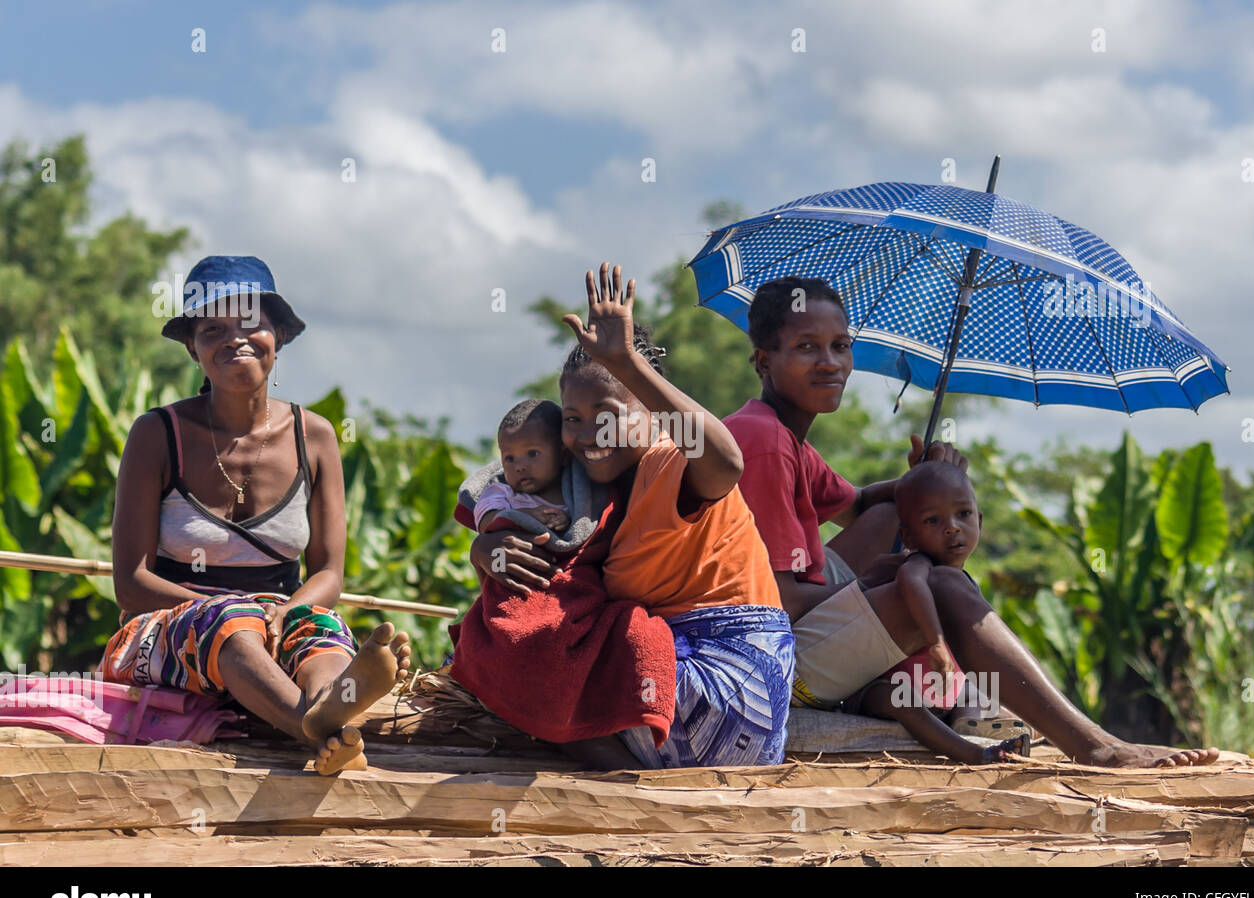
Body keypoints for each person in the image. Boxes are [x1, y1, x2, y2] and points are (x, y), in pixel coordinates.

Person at [723, 275, 1218, 769]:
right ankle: (1095, 745)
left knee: (905, 511)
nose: (830, 362)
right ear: (764, 360)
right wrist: (887, 584)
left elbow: (863, 505)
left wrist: (925, 482)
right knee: (937, 584)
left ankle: (962, 693)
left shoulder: (779, 433)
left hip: (795, 629)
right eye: (807, 347)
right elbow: (779, 604)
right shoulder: (764, 442)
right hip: (777, 660)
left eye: (840, 346)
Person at [471, 262, 795, 769]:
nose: (587, 436)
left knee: (530, 659)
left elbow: (728, 461)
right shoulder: (590, 495)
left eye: (608, 417)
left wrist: (627, 366)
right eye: (573, 420)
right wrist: (485, 548)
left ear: (649, 411)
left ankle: (613, 769)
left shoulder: (669, 463)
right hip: (681, 683)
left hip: (727, 688)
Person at [102, 255, 410, 775]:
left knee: (321, 626)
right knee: (229, 620)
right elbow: (131, 584)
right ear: (191, 347)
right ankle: (313, 727)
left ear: (280, 334)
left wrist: (285, 613)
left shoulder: (315, 437)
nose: (235, 338)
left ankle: (333, 695)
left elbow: (329, 574)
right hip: (163, 630)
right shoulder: (157, 434)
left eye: (252, 324)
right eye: (212, 328)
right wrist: (235, 610)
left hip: (276, 615)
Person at [857, 461, 1028, 763]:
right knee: (897, 700)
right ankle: (974, 752)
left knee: (984, 686)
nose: (952, 527)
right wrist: (935, 643)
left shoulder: (967, 584)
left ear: (980, 521)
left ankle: (971, 721)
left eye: (964, 514)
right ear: (908, 538)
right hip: (892, 689)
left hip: (944, 692)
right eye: (933, 520)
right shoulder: (918, 564)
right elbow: (910, 581)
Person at [475, 399, 570, 533]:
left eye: (532, 453)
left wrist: (565, 521)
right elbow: (486, 522)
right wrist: (525, 515)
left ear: (563, 454)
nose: (519, 467)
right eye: (510, 458)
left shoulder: (577, 498)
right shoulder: (502, 493)